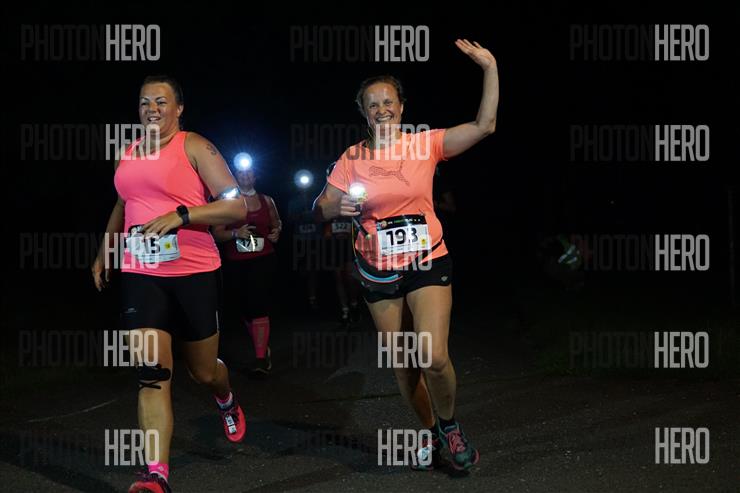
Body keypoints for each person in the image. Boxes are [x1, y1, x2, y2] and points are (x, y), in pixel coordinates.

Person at [313, 39, 499, 471]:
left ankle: (450, 426)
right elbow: (320, 207)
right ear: (363, 112)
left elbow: (485, 125)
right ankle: (430, 430)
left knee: (432, 355)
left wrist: (489, 67)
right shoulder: (351, 158)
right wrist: (336, 207)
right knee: (404, 367)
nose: (381, 109)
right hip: (378, 272)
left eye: (388, 102)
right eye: (372, 104)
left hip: (426, 261)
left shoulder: (425, 144)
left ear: (401, 106)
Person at [91, 75, 248, 493]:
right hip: (141, 273)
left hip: (194, 271)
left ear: (179, 108)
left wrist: (182, 215)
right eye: (145, 102)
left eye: (161, 102)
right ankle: (155, 475)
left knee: (203, 372)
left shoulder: (194, 146)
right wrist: (106, 249)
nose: (152, 109)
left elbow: (236, 207)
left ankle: (225, 397)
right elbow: (123, 203)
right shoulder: (127, 154)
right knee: (151, 372)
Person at [212, 163, 281, 375]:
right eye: (241, 173)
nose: (245, 176)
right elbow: (217, 233)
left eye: (249, 172)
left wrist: (276, 231)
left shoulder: (266, 200)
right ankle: (263, 347)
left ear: (255, 176)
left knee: (258, 303)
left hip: (263, 259)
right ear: (235, 177)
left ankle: (260, 359)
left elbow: (276, 222)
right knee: (244, 307)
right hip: (236, 261)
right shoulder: (227, 202)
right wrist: (236, 233)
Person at [323, 161, 361, 327]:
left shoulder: (356, 193)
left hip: (350, 245)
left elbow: (363, 215)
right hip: (333, 246)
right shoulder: (326, 197)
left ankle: (354, 304)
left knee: (351, 278)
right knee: (338, 278)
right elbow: (321, 220)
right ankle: (344, 310)